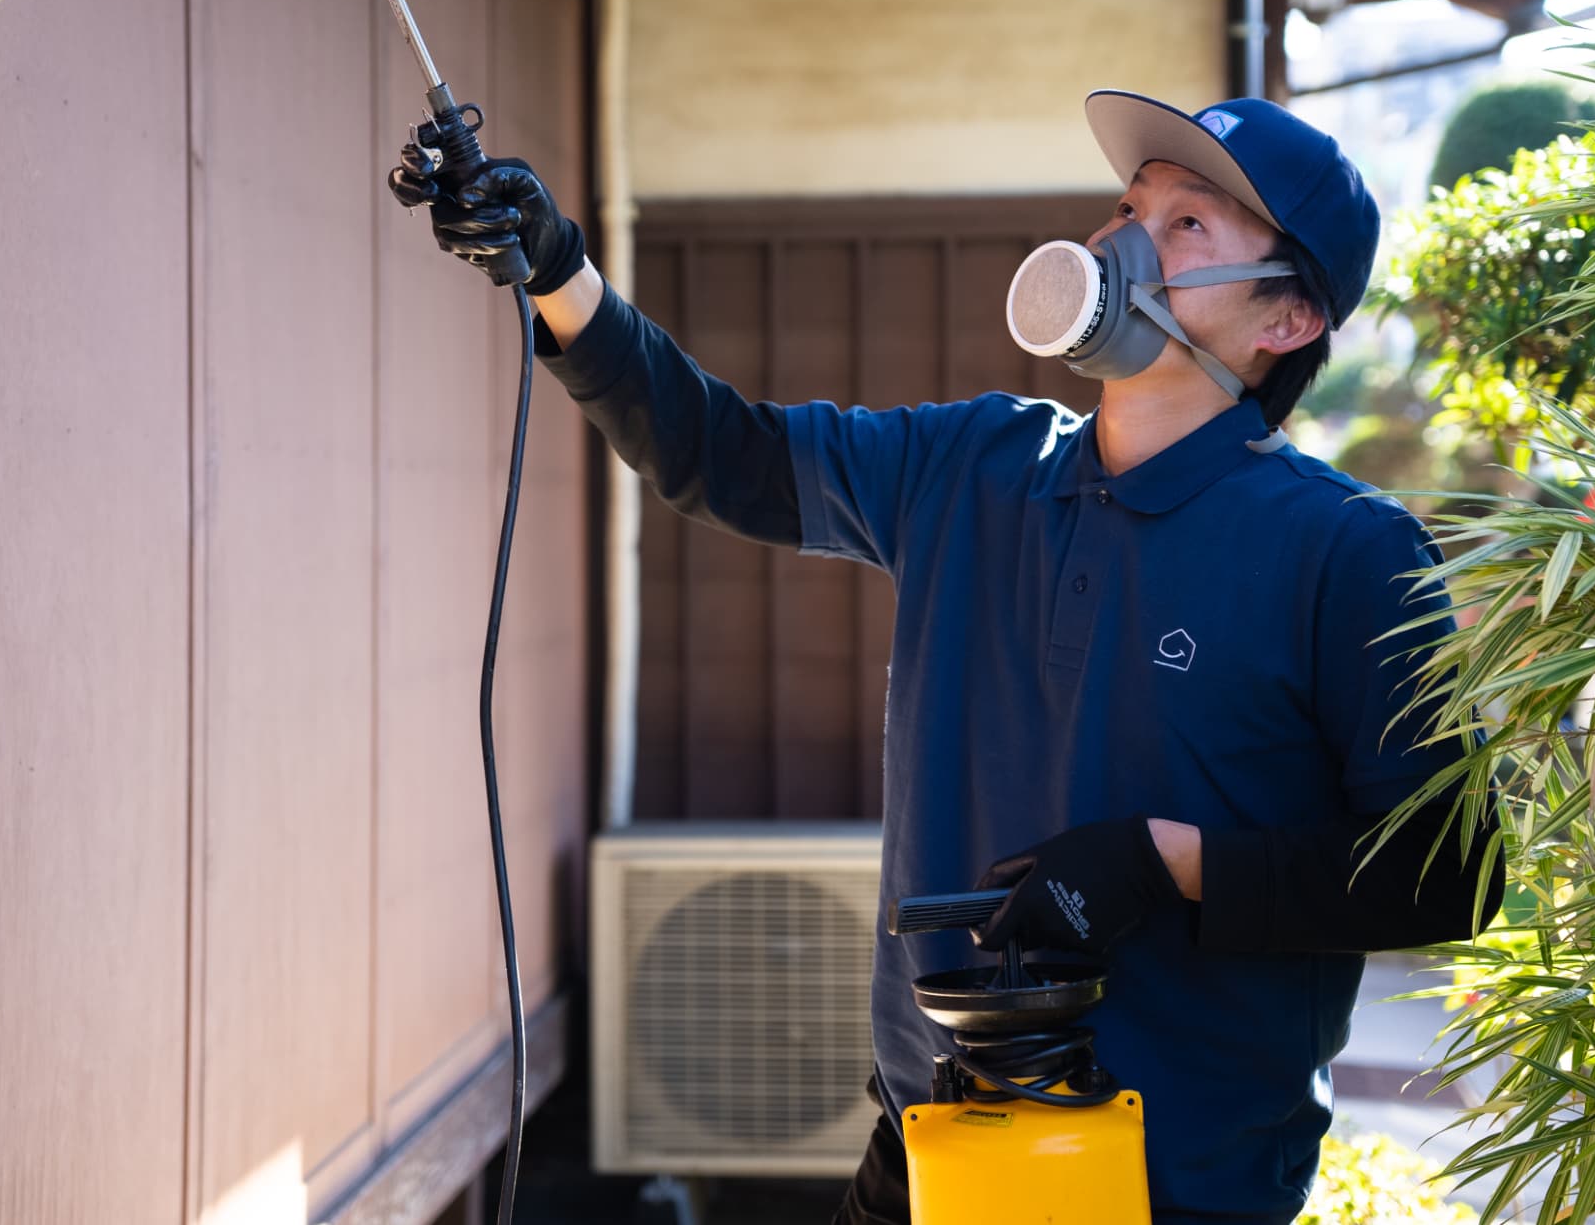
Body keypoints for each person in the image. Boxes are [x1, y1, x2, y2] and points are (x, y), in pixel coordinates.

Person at [389, 91, 1504, 1225]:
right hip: (930, 1139)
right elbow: (723, 455)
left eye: (1185, 228)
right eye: (1127, 206)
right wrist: (556, 270)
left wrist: (1168, 859)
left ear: (1287, 319)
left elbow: (1448, 870)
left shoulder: (1349, 550)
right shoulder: (975, 461)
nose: (1118, 242)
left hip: (1174, 1178)